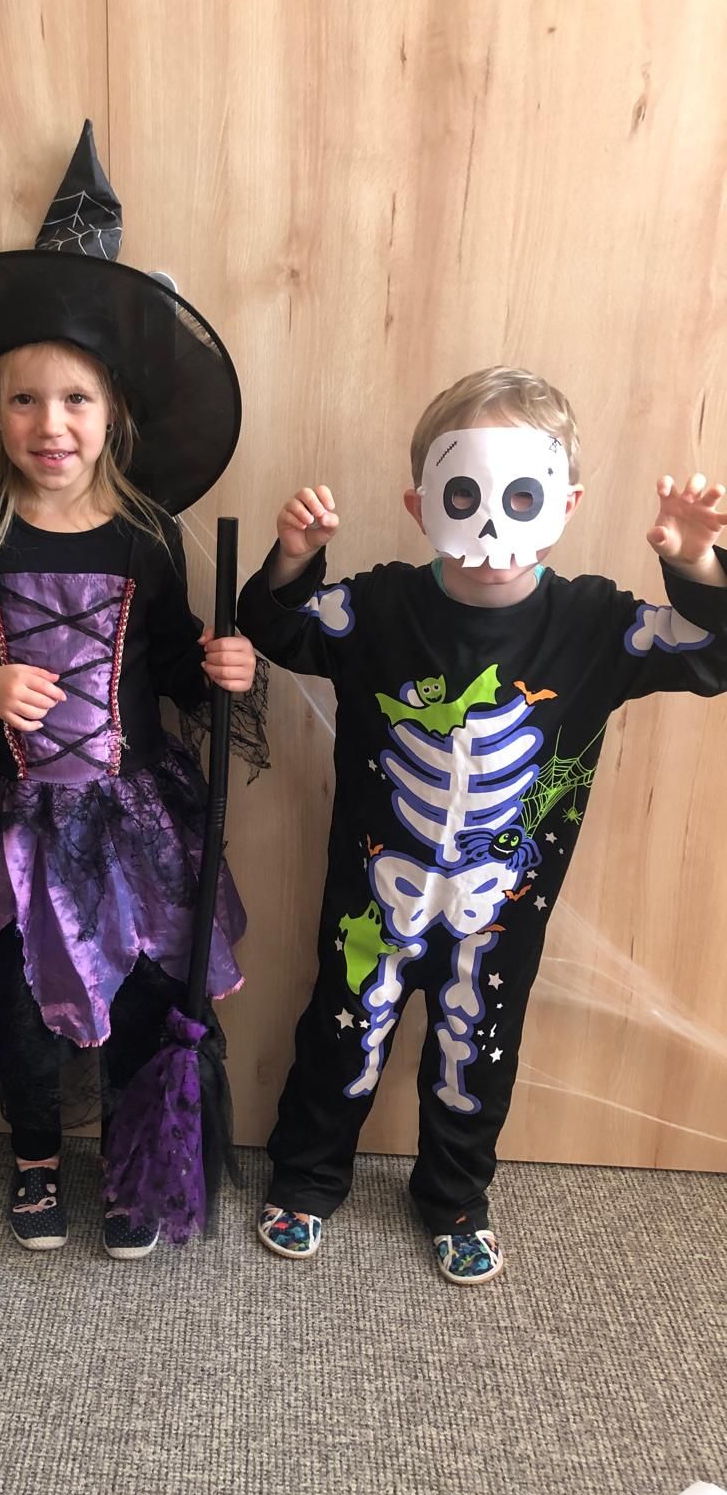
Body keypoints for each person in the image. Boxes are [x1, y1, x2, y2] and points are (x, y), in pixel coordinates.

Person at [237, 365, 727, 1282]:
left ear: (566, 504)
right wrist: (296, 556)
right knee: (344, 1027)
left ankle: (456, 1196)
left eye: (523, 496)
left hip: (501, 905)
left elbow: (715, 649)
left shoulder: (597, 625)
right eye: (464, 495)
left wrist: (695, 563)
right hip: (377, 894)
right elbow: (276, 625)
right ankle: (306, 1175)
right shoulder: (377, 607)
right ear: (422, 505)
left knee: (477, 1046)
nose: (493, 525)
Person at [0, 123, 257, 1258]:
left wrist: (221, 665)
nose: (52, 426)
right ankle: (37, 1157)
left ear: (114, 415)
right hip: (11, 821)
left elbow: (176, 660)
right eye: (26, 401)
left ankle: (138, 1159)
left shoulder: (147, 538)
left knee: (142, 992)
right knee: (20, 1003)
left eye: (77, 400)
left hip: (134, 814)